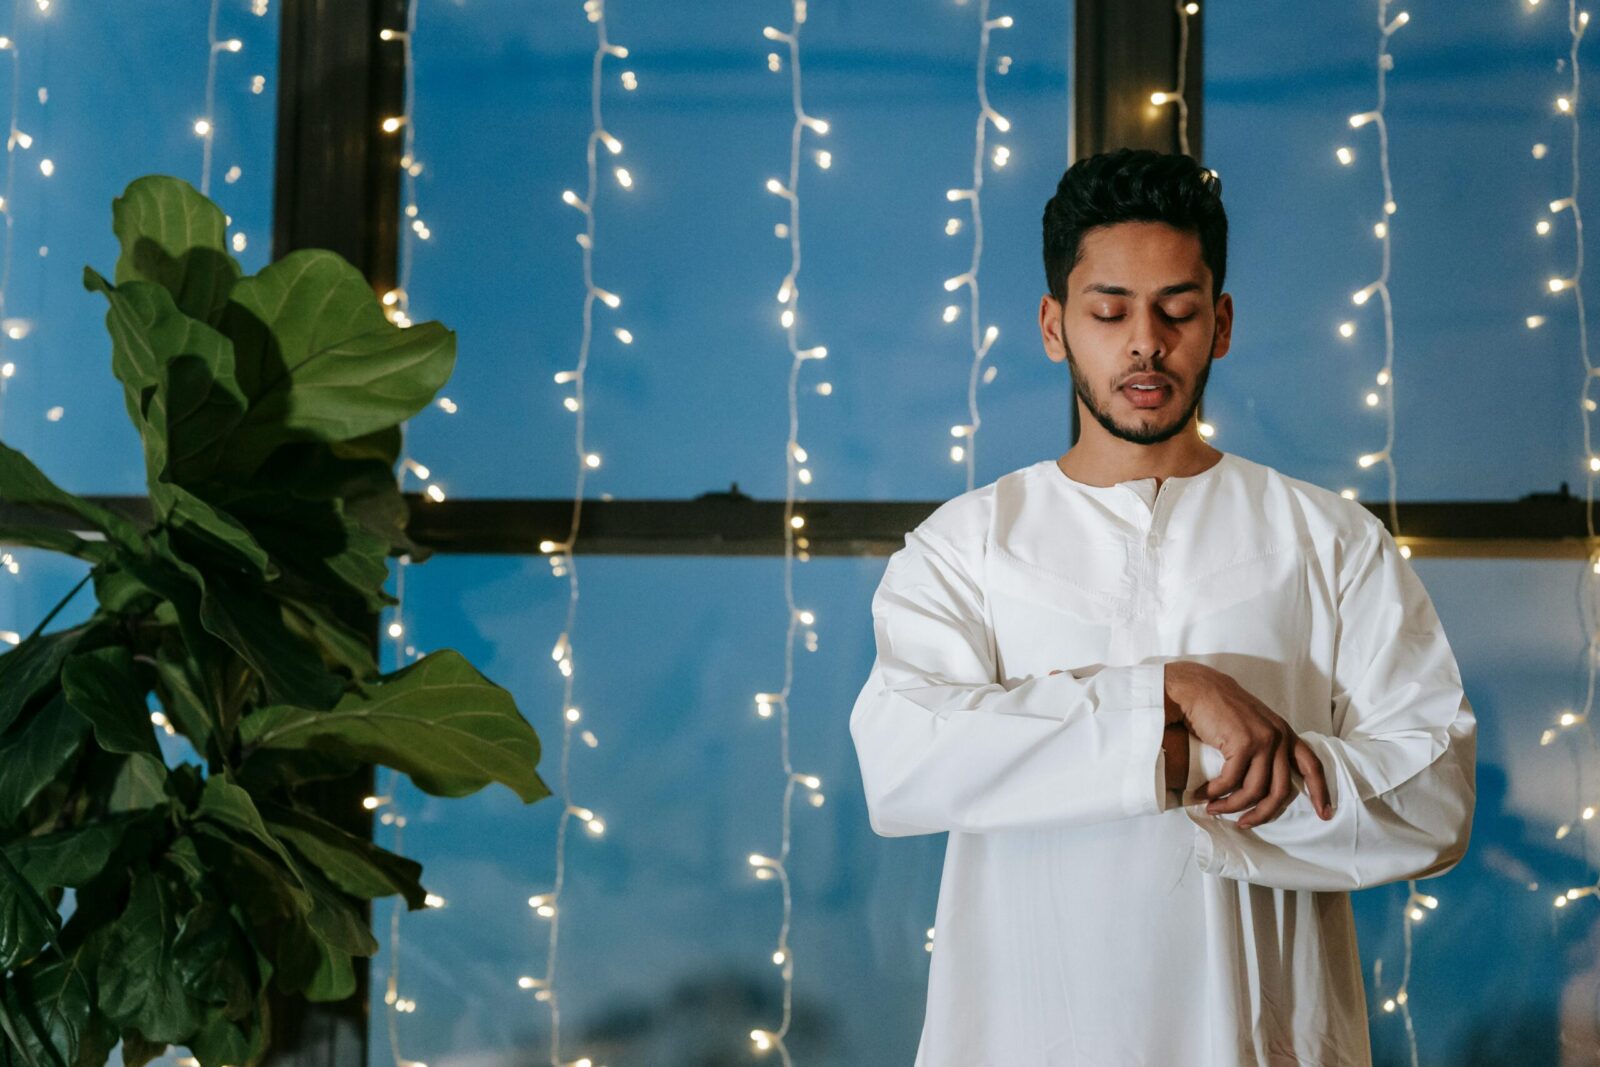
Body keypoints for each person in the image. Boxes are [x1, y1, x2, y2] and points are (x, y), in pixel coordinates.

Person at [848, 147, 1477, 1066]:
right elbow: (903, 759)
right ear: (1055, 327)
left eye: (1176, 310)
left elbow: (1434, 791)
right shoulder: (966, 544)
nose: (1145, 342)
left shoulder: (1330, 538)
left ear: (1220, 324)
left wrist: (1185, 757)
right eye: (1110, 311)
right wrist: (1173, 694)